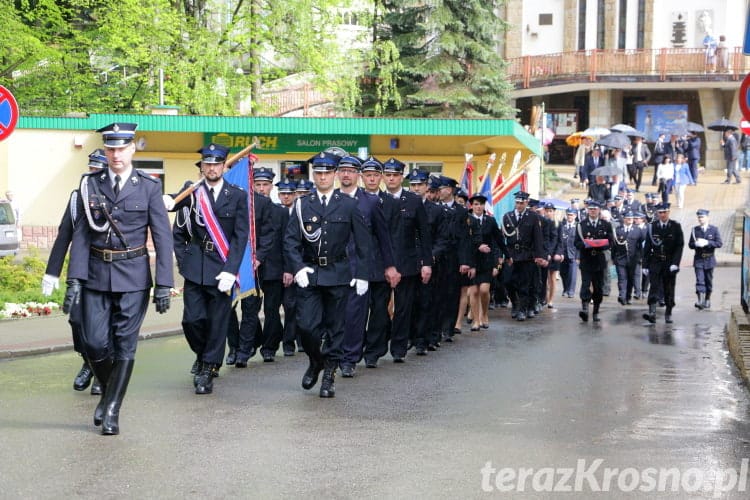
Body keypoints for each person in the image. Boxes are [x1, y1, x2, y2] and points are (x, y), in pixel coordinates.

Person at [65, 122, 173, 435]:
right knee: (94, 342)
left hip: (134, 277)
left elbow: (162, 238)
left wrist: (164, 282)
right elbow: (82, 235)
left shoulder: (149, 187)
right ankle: (110, 389)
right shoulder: (91, 184)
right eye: (110, 148)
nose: (115, 154)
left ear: (132, 149)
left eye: (121, 148)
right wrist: (75, 278)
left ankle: (111, 408)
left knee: (125, 345)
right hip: (97, 274)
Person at [284, 151, 371, 398]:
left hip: (338, 272)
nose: (322, 177)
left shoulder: (349, 204)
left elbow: (364, 244)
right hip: (310, 273)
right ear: (314, 175)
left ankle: (330, 374)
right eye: (318, 173)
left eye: (326, 173)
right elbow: (290, 240)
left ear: (334, 174)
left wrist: (362, 274)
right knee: (307, 326)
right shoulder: (302, 204)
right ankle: (316, 361)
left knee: (335, 328)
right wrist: (297, 267)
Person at [170, 144, 249, 394]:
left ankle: (208, 368)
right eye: (207, 164)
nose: (211, 168)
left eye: (216, 164)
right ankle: (203, 353)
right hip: (195, 267)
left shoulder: (237, 195)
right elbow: (178, 228)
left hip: (222, 268)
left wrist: (231, 269)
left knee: (217, 322)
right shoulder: (191, 193)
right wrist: (184, 261)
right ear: (202, 167)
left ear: (223, 166)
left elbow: (240, 236)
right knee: (191, 320)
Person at [42, 149, 108, 395]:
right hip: (82, 270)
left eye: (98, 168)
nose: (93, 172)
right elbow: (64, 235)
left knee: (105, 325)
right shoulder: (77, 197)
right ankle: (88, 362)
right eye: (91, 168)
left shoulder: (118, 195)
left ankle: (103, 374)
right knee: (77, 319)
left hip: (110, 269)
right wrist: (52, 272)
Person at [337, 155, 399, 377]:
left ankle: (349, 358)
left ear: (357, 175)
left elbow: (383, 237)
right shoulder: (331, 198)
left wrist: (390, 266)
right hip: (334, 268)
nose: (346, 174)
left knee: (355, 315)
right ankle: (335, 352)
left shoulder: (370, 202)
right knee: (335, 316)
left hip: (360, 267)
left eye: (350, 170)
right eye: (342, 170)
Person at [500, 191, 546, 321]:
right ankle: (515, 303)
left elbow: (538, 238)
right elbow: (501, 238)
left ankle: (522, 309)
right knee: (508, 281)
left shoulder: (533, 217)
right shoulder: (507, 217)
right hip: (511, 255)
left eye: (521, 203)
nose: (519, 205)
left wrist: (539, 255)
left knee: (524, 284)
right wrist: (500, 255)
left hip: (526, 255)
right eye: (517, 203)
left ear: (526, 203)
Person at [642, 203, 684, 324]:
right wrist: (645, 265)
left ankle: (668, 312)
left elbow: (679, 246)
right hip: (655, 261)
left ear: (668, 212)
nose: (663, 215)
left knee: (669, 288)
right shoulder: (652, 227)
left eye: (665, 212)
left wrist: (675, 263)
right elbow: (647, 248)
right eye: (660, 213)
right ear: (657, 214)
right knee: (654, 286)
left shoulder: (675, 226)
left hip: (669, 262)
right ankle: (652, 313)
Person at [465, 193, 503, 330]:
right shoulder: (467, 220)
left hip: (487, 261)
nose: (478, 206)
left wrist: (501, 259)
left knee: (484, 290)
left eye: (481, 204)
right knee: (474, 291)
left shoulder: (490, 221)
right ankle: (476, 320)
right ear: (471, 206)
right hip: (471, 260)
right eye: (475, 204)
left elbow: (497, 240)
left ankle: (484, 314)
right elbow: (464, 241)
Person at [573, 200, 614, 322]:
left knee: (598, 287)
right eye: (590, 209)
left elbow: (611, 242)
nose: (592, 211)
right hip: (586, 259)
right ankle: (585, 309)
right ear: (587, 210)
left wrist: (599, 245)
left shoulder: (606, 225)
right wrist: (586, 244)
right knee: (585, 285)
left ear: (599, 210)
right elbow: (576, 242)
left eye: (595, 209)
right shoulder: (581, 225)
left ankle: (596, 311)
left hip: (599, 260)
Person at [276, 178, 301, 356]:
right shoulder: (275, 211)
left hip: (298, 267)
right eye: (283, 194)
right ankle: (284, 339)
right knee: (279, 307)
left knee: (294, 306)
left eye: (289, 193)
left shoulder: (301, 212)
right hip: (277, 267)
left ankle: (291, 342)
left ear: (295, 195)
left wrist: (293, 269)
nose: (286, 197)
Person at [688, 209, 723, 310]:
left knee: (708, 281)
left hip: (709, 258)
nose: (700, 219)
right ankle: (700, 300)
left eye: (702, 217)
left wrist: (707, 242)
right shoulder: (695, 230)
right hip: (699, 259)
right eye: (699, 217)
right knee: (700, 280)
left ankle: (707, 299)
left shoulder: (714, 229)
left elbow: (719, 243)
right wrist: (695, 244)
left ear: (707, 218)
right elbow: (690, 245)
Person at [611, 211, 646, 305]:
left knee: (631, 279)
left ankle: (628, 296)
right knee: (622, 278)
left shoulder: (638, 230)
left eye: (631, 218)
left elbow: (642, 245)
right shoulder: (618, 230)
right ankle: (622, 295)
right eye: (628, 218)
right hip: (620, 259)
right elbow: (614, 245)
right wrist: (613, 258)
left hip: (633, 260)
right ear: (624, 219)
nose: (630, 220)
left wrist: (642, 258)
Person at [557, 208, 579, 298]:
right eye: (568, 215)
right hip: (563, 254)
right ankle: (565, 289)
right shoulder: (562, 226)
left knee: (572, 273)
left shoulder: (578, 226)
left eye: (571, 215)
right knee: (563, 273)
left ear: (575, 216)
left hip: (573, 254)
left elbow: (580, 242)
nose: (569, 216)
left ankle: (571, 291)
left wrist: (578, 256)